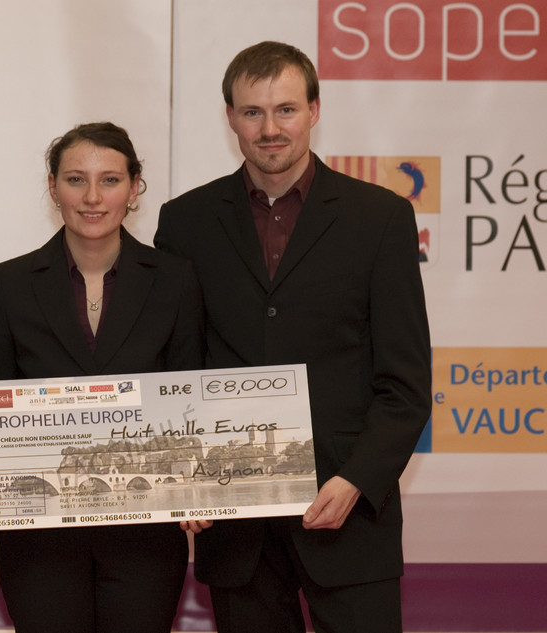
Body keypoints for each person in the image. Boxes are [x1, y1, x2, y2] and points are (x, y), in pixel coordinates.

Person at [154, 41, 432, 633]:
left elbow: (404, 384)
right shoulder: (185, 223)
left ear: (314, 109)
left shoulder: (379, 218)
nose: (270, 128)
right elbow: (176, 372)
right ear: (230, 117)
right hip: (233, 523)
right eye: (252, 112)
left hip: (349, 512)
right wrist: (183, 479)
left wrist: (357, 478)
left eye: (285, 109)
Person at [0, 122, 205, 633]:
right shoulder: (10, 283)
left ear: (135, 186)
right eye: (76, 180)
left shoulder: (175, 280)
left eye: (110, 180)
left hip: (146, 536)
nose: (93, 197)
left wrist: (198, 486)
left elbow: (192, 397)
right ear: (53, 187)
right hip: (38, 542)